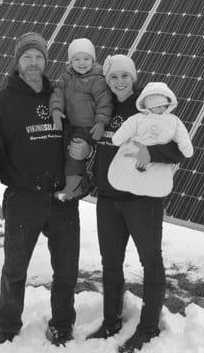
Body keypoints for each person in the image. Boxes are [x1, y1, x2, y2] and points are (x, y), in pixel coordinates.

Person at [0, 32, 90, 347]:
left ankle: (63, 326)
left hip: (61, 198)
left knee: (67, 271)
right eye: (27, 57)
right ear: (18, 61)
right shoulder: (3, 102)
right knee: (15, 270)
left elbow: (81, 128)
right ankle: (8, 329)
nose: (34, 63)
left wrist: (85, 152)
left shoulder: (60, 94)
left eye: (39, 57)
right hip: (22, 198)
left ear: (46, 60)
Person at [85, 55, 187, 353]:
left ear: (133, 77)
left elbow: (178, 150)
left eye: (124, 76)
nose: (119, 81)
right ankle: (110, 321)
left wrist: (150, 152)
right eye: (114, 76)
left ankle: (148, 328)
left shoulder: (147, 106)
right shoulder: (102, 107)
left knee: (150, 262)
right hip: (107, 196)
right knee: (110, 262)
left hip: (143, 201)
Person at [49, 37, 112, 201]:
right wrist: (55, 110)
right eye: (76, 59)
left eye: (86, 58)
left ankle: (75, 187)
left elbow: (104, 102)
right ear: (70, 61)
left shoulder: (98, 79)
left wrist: (100, 122)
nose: (81, 63)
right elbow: (57, 94)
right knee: (62, 149)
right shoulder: (66, 77)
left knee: (75, 152)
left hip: (88, 127)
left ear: (93, 59)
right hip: (71, 124)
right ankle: (74, 181)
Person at [108, 81, 193, 197]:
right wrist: (117, 139)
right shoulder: (138, 119)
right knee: (129, 165)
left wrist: (186, 147)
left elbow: (183, 137)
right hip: (133, 152)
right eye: (158, 106)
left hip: (157, 159)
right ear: (148, 105)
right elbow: (124, 131)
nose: (163, 108)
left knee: (154, 174)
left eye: (165, 106)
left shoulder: (173, 121)